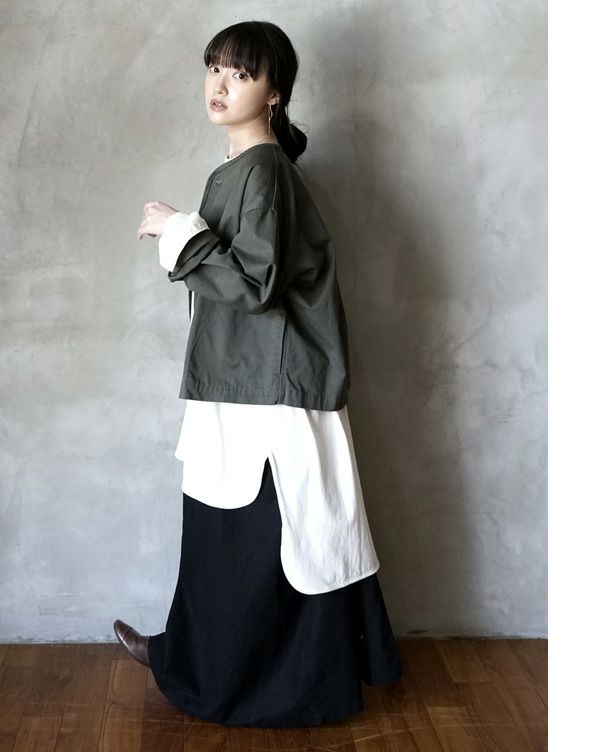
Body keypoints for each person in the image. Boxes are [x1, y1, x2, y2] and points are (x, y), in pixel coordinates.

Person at [114, 20, 403, 728]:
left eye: (241, 73)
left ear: (275, 93)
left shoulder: (264, 171)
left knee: (252, 544)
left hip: (265, 397)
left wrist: (175, 228)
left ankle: (232, 679)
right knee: (235, 541)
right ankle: (189, 655)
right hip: (245, 384)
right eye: (214, 67)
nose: (220, 84)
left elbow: (254, 284)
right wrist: (183, 231)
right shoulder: (245, 170)